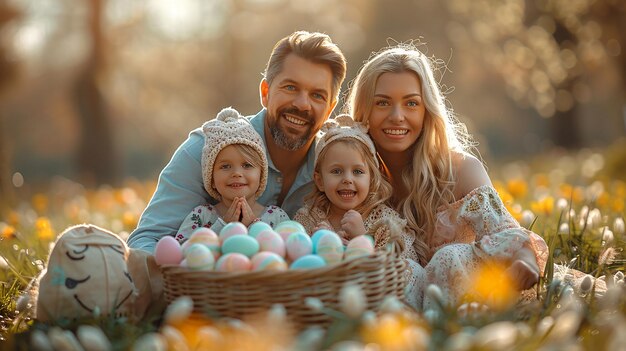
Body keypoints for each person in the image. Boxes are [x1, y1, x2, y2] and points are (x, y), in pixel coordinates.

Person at [344, 44, 549, 309]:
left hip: (468, 304)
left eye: (411, 103)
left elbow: (507, 235)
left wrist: (525, 262)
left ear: (427, 110)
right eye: (382, 103)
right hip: (392, 314)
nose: (397, 116)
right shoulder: (351, 178)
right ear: (363, 111)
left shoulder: (462, 170)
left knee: (450, 256)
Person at [127, 31, 347, 253]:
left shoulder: (337, 167)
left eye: (317, 95)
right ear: (265, 92)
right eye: (290, 87)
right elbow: (145, 243)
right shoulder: (205, 150)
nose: (302, 104)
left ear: (329, 108)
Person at [293, 115, 428, 309]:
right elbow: (295, 260)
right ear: (320, 180)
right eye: (336, 171)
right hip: (330, 301)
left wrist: (363, 238)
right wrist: (321, 243)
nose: (347, 179)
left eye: (357, 172)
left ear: (372, 178)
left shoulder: (383, 219)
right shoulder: (309, 217)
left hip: (377, 300)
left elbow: (405, 264)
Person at [176, 107, 289, 242]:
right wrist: (222, 228)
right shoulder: (201, 216)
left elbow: (287, 252)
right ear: (211, 178)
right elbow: (181, 252)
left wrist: (254, 226)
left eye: (247, 165)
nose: (236, 173)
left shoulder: (276, 217)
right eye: (225, 166)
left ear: (261, 175)